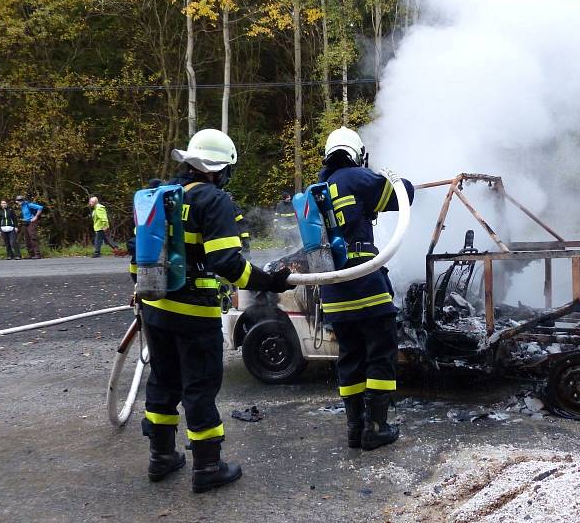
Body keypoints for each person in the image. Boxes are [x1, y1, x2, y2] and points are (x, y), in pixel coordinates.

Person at [135, 129, 293, 493]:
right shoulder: (213, 199)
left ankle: (161, 458)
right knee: (200, 387)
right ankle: (207, 467)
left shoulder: (160, 197)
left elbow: (139, 254)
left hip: (155, 309)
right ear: (218, 169)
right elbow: (227, 263)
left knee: (163, 380)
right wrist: (271, 281)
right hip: (194, 314)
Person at [317, 126, 414, 451]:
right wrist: (399, 180)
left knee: (350, 357)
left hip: (333, 289)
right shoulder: (356, 177)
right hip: (365, 282)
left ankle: (354, 429)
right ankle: (376, 427)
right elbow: (403, 197)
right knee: (380, 353)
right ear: (358, 154)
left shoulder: (318, 188)